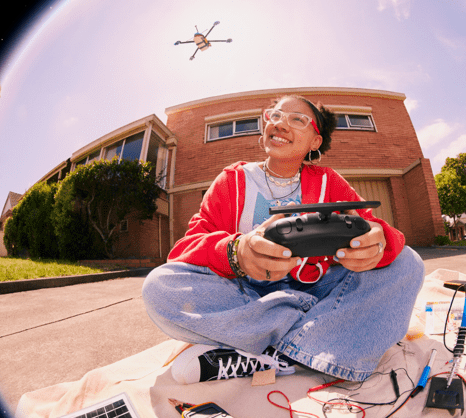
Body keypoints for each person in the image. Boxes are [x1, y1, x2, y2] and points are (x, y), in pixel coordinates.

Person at [142, 94, 424, 383]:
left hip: (318, 291)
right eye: (274, 116)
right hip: (247, 297)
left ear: (315, 141)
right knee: (159, 287)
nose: (280, 125)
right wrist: (236, 252)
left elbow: (374, 227)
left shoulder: (330, 182)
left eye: (297, 120)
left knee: (406, 262)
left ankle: (270, 353)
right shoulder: (232, 180)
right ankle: (312, 343)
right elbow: (184, 250)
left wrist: (378, 244)